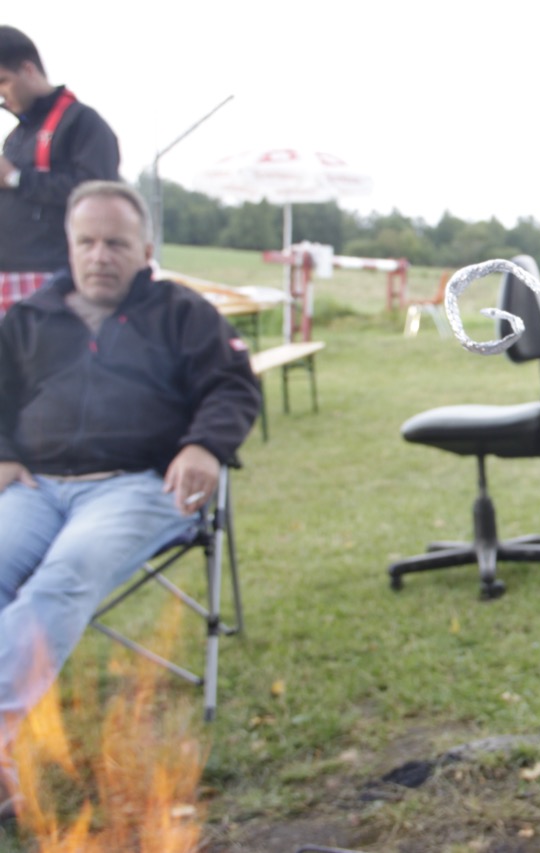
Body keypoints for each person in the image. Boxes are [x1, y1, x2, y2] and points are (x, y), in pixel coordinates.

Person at [0, 181, 260, 818]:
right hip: (36, 486)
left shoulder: (182, 313)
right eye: (87, 242)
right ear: (69, 245)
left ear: (146, 249)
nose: (99, 256)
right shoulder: (29, 317)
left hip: (141, 485)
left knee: (68, 570)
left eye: (116, 243)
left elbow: (233, 386)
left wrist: (203, 446)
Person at [0, 25, 120, 319]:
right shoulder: (16, 136)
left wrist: (16, 178)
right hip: (9, 275)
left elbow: (97, 197)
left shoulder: (83, 123)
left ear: (28, 70)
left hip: (54, 276)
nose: (1, 94)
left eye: (3, 81)